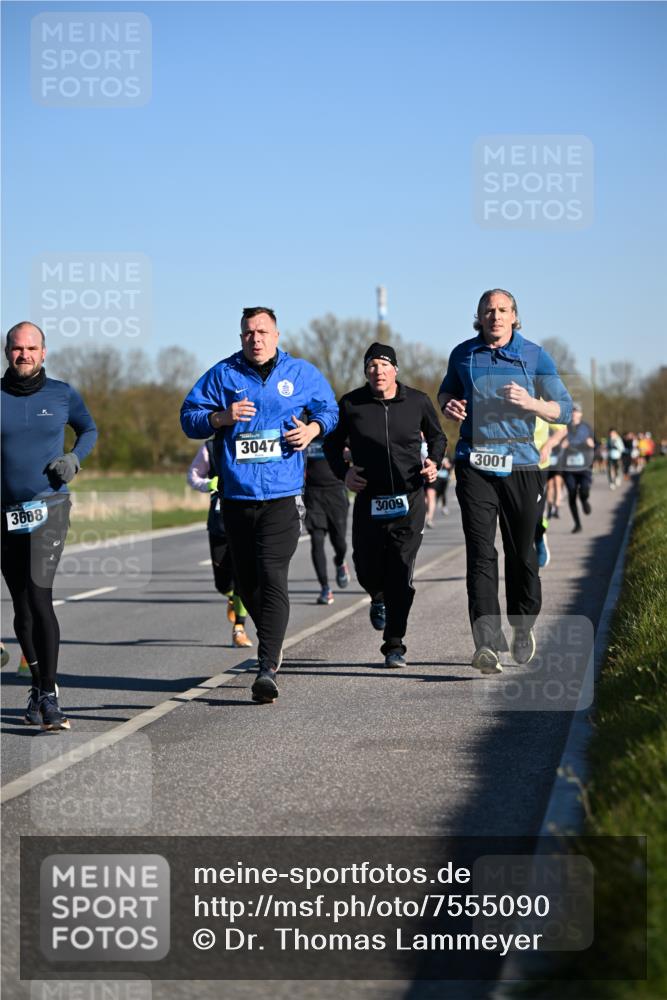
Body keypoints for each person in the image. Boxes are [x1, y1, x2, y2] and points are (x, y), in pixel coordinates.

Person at [180, 306, 338, 704]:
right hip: (236, 497)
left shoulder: (299, 373)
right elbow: (188, 417)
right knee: (247, 582)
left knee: (272, 573)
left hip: (283, 495)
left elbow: (329, 410)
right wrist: (220, 417)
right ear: (241, 338)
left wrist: (313, 429)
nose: (256, 338)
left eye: (263, 331)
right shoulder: (224, 374)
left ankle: (266, 667)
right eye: (249, 332)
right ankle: (272, 641)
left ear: (276, 335)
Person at [438, 289, 572, 674]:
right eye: (488, 311)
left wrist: (532, 403)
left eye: (502, 310)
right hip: (475, 461)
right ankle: (485, 642)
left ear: (514, 316)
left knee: (521, 553)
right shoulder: (463, 354)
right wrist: (448, 404)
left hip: (522, 464)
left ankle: (522, 625)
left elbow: (564, 409)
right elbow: (446, 391)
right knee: (480, 553)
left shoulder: (535, 355)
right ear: (479, 317)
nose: (495, 316)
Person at [324, 342, 446, 668]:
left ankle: (394, 644)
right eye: (371, 366)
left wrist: (434, 462)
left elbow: (438, 437)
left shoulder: (417, 401)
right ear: (366, 372)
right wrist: (344, 473)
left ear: (395, 369)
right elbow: (331, 444)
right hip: (370, 499)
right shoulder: (352, 404)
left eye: (384, 365)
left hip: (409, 499)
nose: (378, 371)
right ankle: (376, 597)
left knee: (401, 572)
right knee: (365, 566)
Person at [1, 322, 97, 730]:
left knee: (40, 597)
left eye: (31, 348)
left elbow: (88, 429)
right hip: (5, 514)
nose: (24, 354)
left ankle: (50, 695)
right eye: (17, 348)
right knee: (21, 607)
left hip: (49, 508)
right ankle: (38, 686)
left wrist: (74, 458)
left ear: (44, 352)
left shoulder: (62, 394)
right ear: (7, 352)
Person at [187, 441, 253, 647]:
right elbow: (193, 477)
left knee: (242, 578)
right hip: (219, 523)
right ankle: (231, 597)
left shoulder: (249, 440)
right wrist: (207, 484)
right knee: (223, 583)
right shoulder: (210, 447)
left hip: (245, 520)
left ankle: (239, 628)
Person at [303, 436, 350, 605]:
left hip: (336, 491)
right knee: (317, 541)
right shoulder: (305, 430)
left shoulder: (337, 430)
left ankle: (340, 561)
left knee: (340, 543)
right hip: (313, 493)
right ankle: (325, 588)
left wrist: (348, 454)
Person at [546, 404, 595, 533]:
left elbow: (594, 444)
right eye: (572, 411)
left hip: (584, 467)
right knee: (572, 494)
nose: (574, 414)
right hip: (569, 468)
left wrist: (591, 444)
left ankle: (584, 500)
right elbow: (556, 443)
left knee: (584, 491)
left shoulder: (586, 427)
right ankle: (577, 524)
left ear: (581, 414)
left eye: (576, 411)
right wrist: (560, 446)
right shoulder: (564, 428)